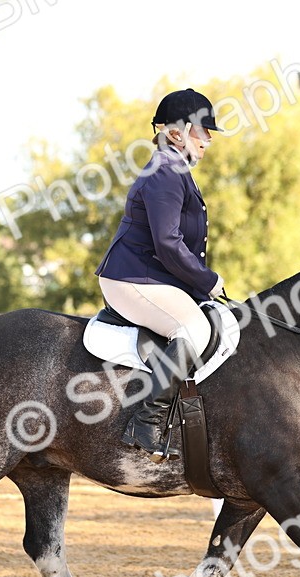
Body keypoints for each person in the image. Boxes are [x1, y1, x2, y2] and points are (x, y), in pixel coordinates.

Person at [95, 87, 225, 461]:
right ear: (175, 133)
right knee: (195, 330)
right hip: (131, 278)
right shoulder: (166, 171)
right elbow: (168, 242)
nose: (208, 140)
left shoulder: (175, 169)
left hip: (149, 277)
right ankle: (146, 421)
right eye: (202, 130)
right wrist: (208, 280)